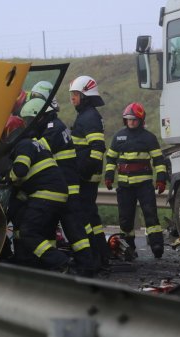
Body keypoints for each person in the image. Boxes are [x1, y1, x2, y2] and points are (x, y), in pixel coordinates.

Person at [2, 98, 71, 272]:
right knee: (44, 235)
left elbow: (19, 171)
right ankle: (42, 267)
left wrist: (6, 179)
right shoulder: (35, 143)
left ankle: (60, 262)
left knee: (28, 232)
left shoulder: (23, 145)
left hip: (45, 195)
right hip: (55, 194)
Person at [104, 102, 167, 259]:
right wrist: (109, 177)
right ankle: (128, 248)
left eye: (134, 119)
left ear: (140, 120)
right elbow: (111, 159)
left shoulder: (149, 138)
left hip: (144, 185)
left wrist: (161, 180)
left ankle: (157, 245)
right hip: (124, 186)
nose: (131, 122)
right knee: (125, 219)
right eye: (128, 119)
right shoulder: (118, 136)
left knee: (150, 215)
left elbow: (159, 160)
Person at [40, 97, 95, 276]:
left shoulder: (51, 129)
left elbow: (39, 151)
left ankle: (85, 266)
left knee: (73, 228)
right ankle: (80, 264)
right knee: (66, 228)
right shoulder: (59, 125)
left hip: (65, 188)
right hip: (68, 185)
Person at [68, 75, 109, 271]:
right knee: (92, 218)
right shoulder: (86, 115)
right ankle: (101, 254)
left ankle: (94, 257)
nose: (72, 98)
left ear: (85, 96)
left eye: (75, 95)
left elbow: (97, 148)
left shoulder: (89, 117)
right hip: (87, 176)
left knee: (84, 217)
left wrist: (82, 173)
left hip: (86, 178)